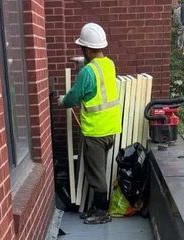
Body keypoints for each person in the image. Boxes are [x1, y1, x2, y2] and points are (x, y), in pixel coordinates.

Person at [59, 23, 122, 224]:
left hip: (95, 132)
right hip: (110, 129)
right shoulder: (109, 64)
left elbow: (74, 98)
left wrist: (62, 100)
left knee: (96, 175)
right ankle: (96, 207)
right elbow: (97, 77)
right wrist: (83, 64)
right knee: (99, 169)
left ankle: (102, 212)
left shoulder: (87, 73)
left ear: (85, 49)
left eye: (82, 49)